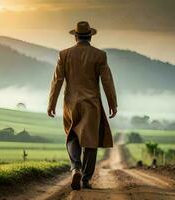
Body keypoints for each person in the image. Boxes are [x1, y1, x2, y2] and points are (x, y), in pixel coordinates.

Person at [47, 21, 117, 190]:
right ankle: (85, 179)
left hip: (71, 104)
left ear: (76, 36)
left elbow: (57, 81)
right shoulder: (100, 55)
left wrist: (52, 103)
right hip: (92, 104)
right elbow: (107, 81)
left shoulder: (64, 54)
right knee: (90, 142)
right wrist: (112, 103)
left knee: (72, 136)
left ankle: (75, 168)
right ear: (91, 36)